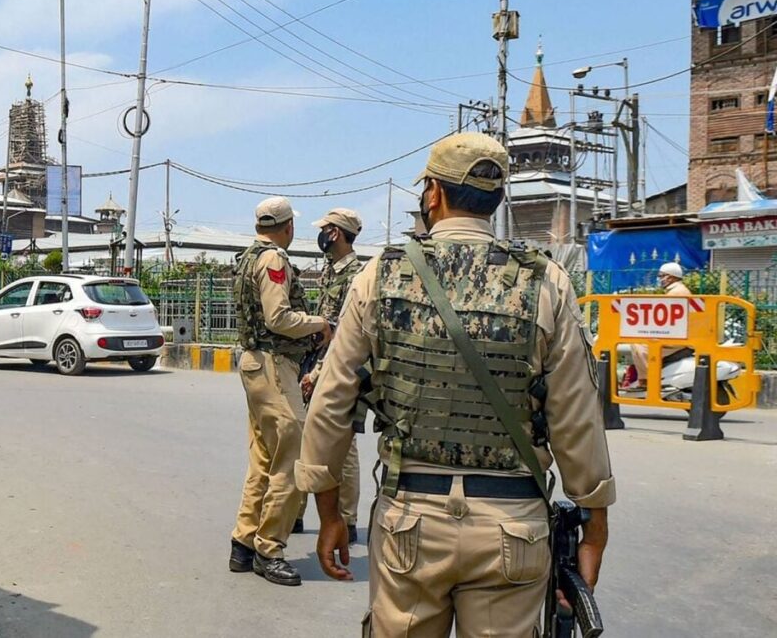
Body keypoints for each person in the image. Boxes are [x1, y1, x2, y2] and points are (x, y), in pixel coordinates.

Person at [296, 132, 615, 636]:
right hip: (513, 525)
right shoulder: (547, 282)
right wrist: (594, 526)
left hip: (410, 522)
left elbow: (332, 402)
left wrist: (329, 510)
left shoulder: (380, 274)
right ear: (498, 198)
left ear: (433, 195)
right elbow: (577, 416)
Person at [229, 196, 332, 587]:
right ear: (288, 227)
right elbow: (279, 317)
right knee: (291, 459)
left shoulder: (246, 257)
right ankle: (269, 548)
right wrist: (320, 323)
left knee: (262, 459)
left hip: (257, 364)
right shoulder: (273, 260)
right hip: (274, 366)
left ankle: (243, 542)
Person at [293, 208, 364, 543]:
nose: (321, 235)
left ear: (335, 233)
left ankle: (347, 519)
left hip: (340, 364)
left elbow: (347, 328)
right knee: (306, 434)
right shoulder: (330, 271)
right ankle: (295, 512)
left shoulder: (357, 274)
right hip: (316, 358)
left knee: (342, 444)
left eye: (324, 229)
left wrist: (321, 371)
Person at [628, 262, 692, 389]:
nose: (660, 279)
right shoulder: (677, 290)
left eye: (661, 276)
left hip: (676, 337)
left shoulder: (676, 292)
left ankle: (647, 380)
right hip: (677, 333)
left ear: (671, 277)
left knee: (639, 345)